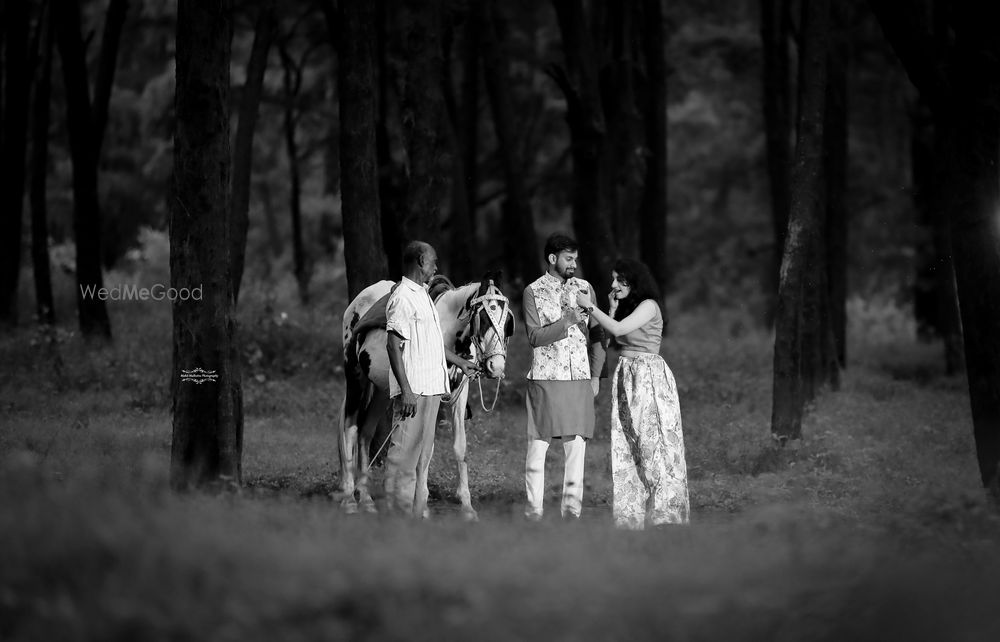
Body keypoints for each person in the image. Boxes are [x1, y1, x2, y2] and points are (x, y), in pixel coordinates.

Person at [576, 258, 690, 529]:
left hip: (648, 376)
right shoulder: (630, 308)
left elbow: (617, 330)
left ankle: (666, 517)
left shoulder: (649, 306)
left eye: (620, 279)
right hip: (627, 375)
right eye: (613, 279)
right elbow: (609, 339)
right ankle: (631, 518)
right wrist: (612, 309)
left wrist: (590, 307)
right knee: (628, 446)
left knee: (656, 446)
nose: (613, 285)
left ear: (634, 280)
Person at [384, 241, 477, 517]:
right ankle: (396, 522)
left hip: (432, 390)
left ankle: (414, 519)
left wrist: (462, 362)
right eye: (433, 262)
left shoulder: (423, 295)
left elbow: (434, 343)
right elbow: (393, 346)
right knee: (403, 458)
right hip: (413, 392)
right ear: (421, 261)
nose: (436, 268)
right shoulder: (402, 297)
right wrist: (406, 390)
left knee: (421, 458)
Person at [522, 234, 606, 520]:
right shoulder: (533, 291)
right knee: (538, 446)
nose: (574, 264)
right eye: (569, 259)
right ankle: (533, 513)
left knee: (576, 448)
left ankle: (571, 513)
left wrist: (596, 376)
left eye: (576, 259)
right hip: (545, 378)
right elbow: (534, 337)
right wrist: (567, 321)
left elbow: (597, 334)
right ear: (552, 258)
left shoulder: (585, 288)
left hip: (579, 378)